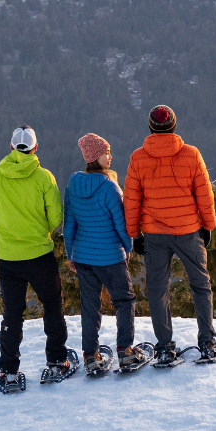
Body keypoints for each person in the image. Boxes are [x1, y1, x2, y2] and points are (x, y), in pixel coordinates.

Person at [124, 104, 216, 364]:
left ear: (150, 128)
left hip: (154, 234)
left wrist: (135, 234)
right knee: (200, 285)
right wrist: (208, 225)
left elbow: (131, 200)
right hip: (188, 231)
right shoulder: (191, 154)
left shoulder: (138, 158)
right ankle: (207, 342)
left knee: (158, 290)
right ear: (174, 126)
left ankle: (165, 347)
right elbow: (204, 194)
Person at [0, 125, 68, 388]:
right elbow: (56, 216)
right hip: (40, 253)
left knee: (13, 313)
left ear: (11, 146)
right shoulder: (43, 177)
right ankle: (56, 360)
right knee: (52, 305)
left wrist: (5, 233)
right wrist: (41, 232)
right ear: (35, 147)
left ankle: (8, 370)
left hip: (8, 257)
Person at [61, 132, 139, 374]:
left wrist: (71, 254)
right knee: (124, 301)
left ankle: (90, 355)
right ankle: (125, 351)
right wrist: (128, 248)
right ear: (95, 156)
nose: (110, 157)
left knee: (90, 306)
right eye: (107, 153)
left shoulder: (73, 185)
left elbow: (69, 224)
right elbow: (121, 224)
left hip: (83, 257)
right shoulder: (109, 187)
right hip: (110, 256)